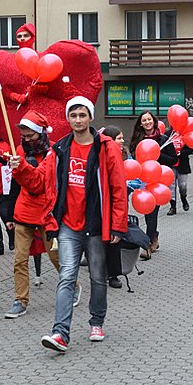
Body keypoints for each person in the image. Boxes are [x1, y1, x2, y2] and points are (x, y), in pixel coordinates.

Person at [41, 96, 128, 353]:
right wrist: (19, 166)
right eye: (73, 115)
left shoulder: (106, 147)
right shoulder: (59, 149)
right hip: (68, 223)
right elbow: (44, 183)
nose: (77, 120)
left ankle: (97, 321)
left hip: (96, 223)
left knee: (98, 277)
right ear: (68, 119)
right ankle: (60, 333)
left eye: (82, 115)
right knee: (67, 275)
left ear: (90, 117)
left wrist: (117, 225)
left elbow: (118, 187)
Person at [4, 111, 66, 318]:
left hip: (47, 213)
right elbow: (15, 186)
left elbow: (39, 183)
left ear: (41, 132)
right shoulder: (18, 150)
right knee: (19, 260)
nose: (27, 139)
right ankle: (20, 300)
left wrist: (20, 167)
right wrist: (8, 215)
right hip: (23, 212)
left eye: (31, 135)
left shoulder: (54, 151)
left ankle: (72, 285)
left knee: (55, 256)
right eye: (24, 135)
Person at [128, 110, 177, 260]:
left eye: (149, 119)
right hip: (142, 180)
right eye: (144, 120)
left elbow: (173, 159)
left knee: (152, 213)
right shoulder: (138, 139)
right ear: (140, 124)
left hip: (158, 181)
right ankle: (154, 236)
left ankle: (147, 245)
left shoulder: (164, 139)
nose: (147, 122)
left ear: (154, 121)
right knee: (146, 211)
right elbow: (133, 157)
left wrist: (157, 154)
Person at [101, 126, 132, 289]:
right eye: (118, 138)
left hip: (118, 201)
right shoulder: (101, 154)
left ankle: (113, 274)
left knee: (114, 240)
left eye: (122, 138)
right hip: (104, 201)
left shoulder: (124, 154)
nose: (122, 140)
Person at [166, 128, 192, 216]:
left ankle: (183, 198)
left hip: (183, 164)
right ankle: (173, 206)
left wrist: (181, 153)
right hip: (171, 163)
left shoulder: (186, 135)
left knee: (183, 185)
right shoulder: (167, 134)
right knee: (171, 186)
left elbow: (190, 148)